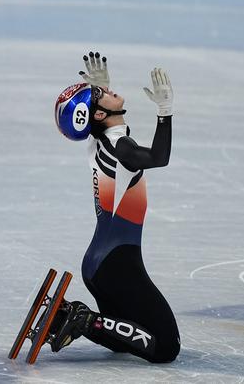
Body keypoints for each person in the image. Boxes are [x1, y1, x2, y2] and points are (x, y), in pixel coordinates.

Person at [49, 51, 180, 363]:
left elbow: (107, 127)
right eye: (100, 95)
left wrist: (100, 96)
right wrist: (165, 111)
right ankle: (81, 318)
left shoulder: (99, 141)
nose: (108, 91)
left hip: (100, 264)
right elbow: (158, 158)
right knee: (165, 347)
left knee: (127, 337)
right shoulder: (121, 148)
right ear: (96, 116)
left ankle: (71, 315)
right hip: (117, 266)